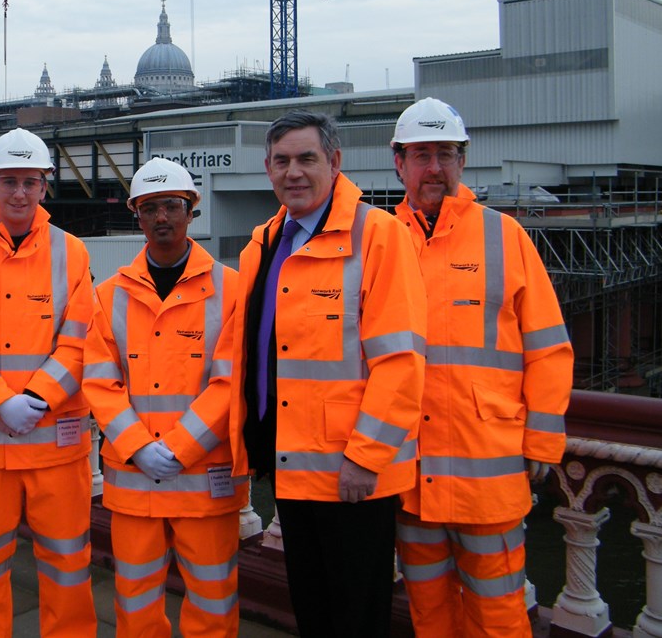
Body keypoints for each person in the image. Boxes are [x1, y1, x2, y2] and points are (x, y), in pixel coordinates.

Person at [230, 108, 427, 638]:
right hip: (290, 463)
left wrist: (366, 458)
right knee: (312, 607)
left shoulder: (378, 235)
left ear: (335, 162)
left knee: (356, 614)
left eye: (306, 159)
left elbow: (400, 360)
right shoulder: (266, 241)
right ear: (268, 170)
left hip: (351, 475)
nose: (293, 172)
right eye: (281, 161)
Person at [389, 97, 574, 638]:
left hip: (486, 472)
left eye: (446, 154)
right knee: (429, 612)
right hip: (410, 475)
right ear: (398, 163)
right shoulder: (380, 239)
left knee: (500, 615)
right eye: (421, 155)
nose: (434, 168)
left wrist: (540, 443)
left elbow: (548, 348)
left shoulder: (505, 236)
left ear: (463, 161)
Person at [0, 127, 98, 637]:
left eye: (30, 182)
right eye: (9, 181)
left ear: (45, 186)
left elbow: (79, 338)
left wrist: (34, 398)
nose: (20, 193)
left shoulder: (72, 253)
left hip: (56, 446)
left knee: (67, 566)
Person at [84, 157, 247, 637]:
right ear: (136, 214)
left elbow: (231, 379)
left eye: (172, 206)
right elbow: (99, 379)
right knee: (134, 603)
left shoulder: (232, 290)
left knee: (213, 603)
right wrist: (138, 445)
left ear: (191, 210)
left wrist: (177, 448)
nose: (161, 218)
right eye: (150, 207)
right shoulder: (109, 295)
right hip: (136, 483)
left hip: (204, 479)